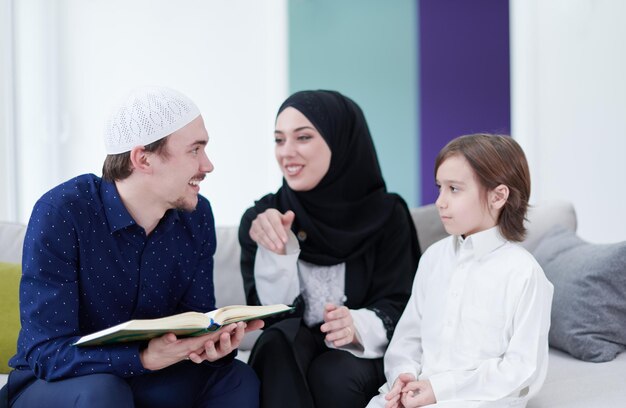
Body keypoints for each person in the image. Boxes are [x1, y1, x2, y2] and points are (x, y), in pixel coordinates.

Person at [3, 86, 263, 408]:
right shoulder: (63, 212)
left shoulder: (196, 218)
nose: (207, 165)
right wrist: (142, 357)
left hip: (149, 379)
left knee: (235, 379)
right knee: (105, 392)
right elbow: (47, 353)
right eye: (195, 150)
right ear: (142, 158)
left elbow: (195, 319)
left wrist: (210, 345)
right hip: (57, 384)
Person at [238, 90, 421, 408]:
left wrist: (357, 327)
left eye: (303, 137)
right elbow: (268, 320)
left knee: (333, 372)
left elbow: (404, 304)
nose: (287, 153)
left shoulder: (388, 216)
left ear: (341, 142)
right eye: (279, 140)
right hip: (292, 351)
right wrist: (277, 251)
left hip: (364, 355)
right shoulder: (265, 220)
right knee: (278, 342)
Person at [367, 134, 554, 408]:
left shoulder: (524, 273)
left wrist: (440, 389)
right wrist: (403, 375)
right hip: (416, 394)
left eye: (454, 189)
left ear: (498, 196)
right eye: (439, 187)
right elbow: (409, 337)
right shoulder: (433, 258)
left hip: (479, 401)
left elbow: (523, 370)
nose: (440, 201)